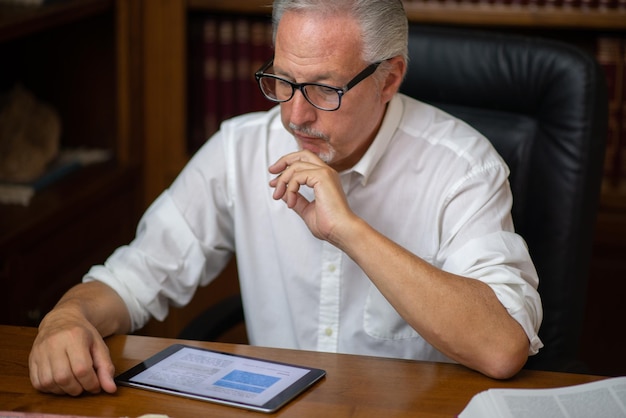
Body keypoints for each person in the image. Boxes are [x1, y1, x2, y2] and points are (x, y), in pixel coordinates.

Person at [29, 0, 543, 396]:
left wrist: (350, 230)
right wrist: (68, 317)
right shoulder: (240, 149)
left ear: (390, 78)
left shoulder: (462, 165)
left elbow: (502, 349)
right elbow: (133, 278)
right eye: (281, 81)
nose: (294, 117)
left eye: (323, 89)